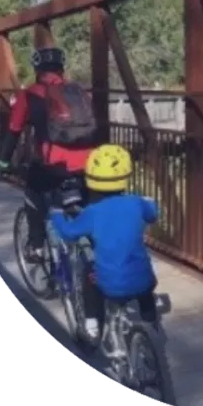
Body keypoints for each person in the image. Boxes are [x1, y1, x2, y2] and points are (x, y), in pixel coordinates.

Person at [49, 144, 159, 340]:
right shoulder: (136, 202)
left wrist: (57, 214)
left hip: (110, 283)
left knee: (89, 274)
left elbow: (69, 233)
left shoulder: (93, 212)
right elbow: (152, 214)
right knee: (145, 287)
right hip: (143, 279)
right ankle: (151, 324)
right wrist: (148, 201)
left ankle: (92, 325)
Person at [0, 47, 97, 261]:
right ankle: (97, 247)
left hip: (53, 164)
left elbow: (14, 130)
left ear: (37, 69)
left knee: (32, 194)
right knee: (87, 205)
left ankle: (36, 246)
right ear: (61, 68)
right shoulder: (78, 91)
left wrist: (4, 161)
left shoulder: (30, 94)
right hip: (87, 162)